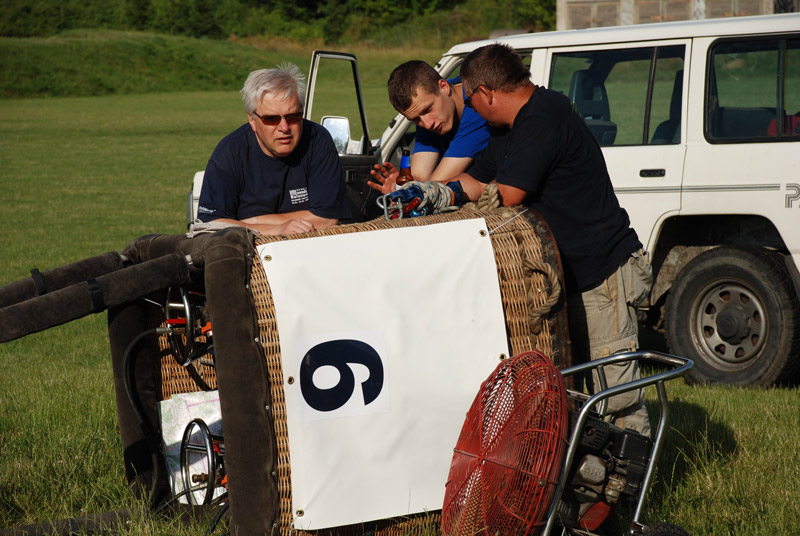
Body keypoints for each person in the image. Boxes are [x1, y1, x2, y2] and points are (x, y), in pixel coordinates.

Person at [374, 44, 653, 436]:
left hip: (600, 276)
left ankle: (629, 493)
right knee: (572, 397)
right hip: (566, 275)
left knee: (616, 400)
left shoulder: (544, 116)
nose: (470, 108)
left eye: (471, 99)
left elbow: (507, 195)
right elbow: (476, 180)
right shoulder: (507, 131)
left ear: (487, 93)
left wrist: (453, 202)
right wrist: (434, 195)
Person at [196, 63, 350, 235]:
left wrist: (247, 223)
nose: (284, 127)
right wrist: (278, 229)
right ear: (252, 120)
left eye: (293, 117)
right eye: (271, 119)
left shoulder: (318, 140)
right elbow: (211, 225)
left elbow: (326, 219)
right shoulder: (229, 153)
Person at [367, 60, 491, 193]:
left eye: (427, 110)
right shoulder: (427, 109)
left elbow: (432, 187)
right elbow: (419, 176)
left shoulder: (479, 104)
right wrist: (402, 186)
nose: (427, 124)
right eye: (415, 119)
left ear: (444, 87)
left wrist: (410, 192)